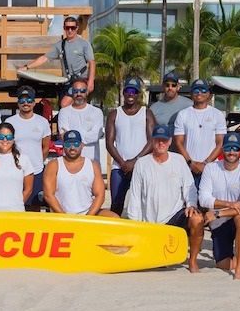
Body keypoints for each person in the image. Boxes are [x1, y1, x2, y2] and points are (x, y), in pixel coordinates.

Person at [125, 125, 205, 268]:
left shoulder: (179, 160)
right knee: (156, 263)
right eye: (157, 140)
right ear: (152, 141)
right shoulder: (141, 164)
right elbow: (135, 196)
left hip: (174, 217)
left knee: (197, 219)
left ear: (170, 141)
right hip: (151, 223)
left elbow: (189, 187)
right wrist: (134, 225)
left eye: (164, 140)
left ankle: (192, 261)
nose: (161, 143)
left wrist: (191, 204)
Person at [197, 132, 240, 279]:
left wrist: (217, 213)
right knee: (222, 264)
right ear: (222, 150)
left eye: (236, 149)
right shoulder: (211, 168)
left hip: (232, 218)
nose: (232, 152)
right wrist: (229, 204)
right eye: (228, 148)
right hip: (219, 223)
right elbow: (204, 199)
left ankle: (239, 272)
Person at [17, 16, 95, 108]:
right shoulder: (60, 45)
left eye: (72, 28)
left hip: (82, 80)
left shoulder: (84, 43)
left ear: (77, 28)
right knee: (63, 107)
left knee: (65, 104)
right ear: (64, 28)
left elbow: (92, 63)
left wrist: (91, 81)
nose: (70, 30)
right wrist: (26, 67)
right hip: (68, 81)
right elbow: (44, 58)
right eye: (67, 28)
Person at [106, 77, 155, 215]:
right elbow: (109, 143)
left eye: (134, 91)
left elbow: (152, 141)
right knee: (116, 203)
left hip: (140, 165)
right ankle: (114, 233)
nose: (131, 94)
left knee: (142, 203)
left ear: (138, 94)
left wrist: (135, 161)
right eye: (128, 90)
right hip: (119, 167)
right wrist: (122, 162)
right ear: (123, 93)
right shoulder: (114, 114)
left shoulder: (146, 113)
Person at [43, 130, 118, 217]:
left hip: (87, 212)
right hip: (61, 214)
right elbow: (48, 195)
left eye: (76, 144)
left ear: (82, 145)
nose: (72, 148)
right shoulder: (54, 165)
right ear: (63, 146)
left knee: (114, 217)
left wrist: (88, 217)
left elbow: (100, 195)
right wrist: (64, 217)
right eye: (68, 144)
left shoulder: (92, 165)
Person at [4, 85, 52, 211]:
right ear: (18, 102)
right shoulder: (9, 122)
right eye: (22, 100)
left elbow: (46, 147)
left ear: (34, 102)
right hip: (14, 170)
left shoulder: (42, 122)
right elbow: (4, 146)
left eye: (29, 100)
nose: (26, 103)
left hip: (36, 171)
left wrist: (37, 163)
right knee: (15, 204)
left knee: (34, 206)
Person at [173, 78, 227, 184]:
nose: (199, 93)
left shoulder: (217, 114)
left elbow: (220, 143)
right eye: (196, 90)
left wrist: (205, 163)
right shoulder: (183, 114)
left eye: (203, 91)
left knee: (208, 200)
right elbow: (179, 142)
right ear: (191, 93)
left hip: (211, 168)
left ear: (208, 94)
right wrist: (190, 163)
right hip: (188, 168)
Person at [56, 77, 104, 165]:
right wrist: (86, 135)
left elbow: (95, 135)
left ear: (87, 92)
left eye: (82, 91)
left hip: (91, 163)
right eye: (75, 91)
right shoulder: (64, 112)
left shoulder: (97, 112)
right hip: (70, 163)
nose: (79, 94)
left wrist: (72, 136)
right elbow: (63, 136)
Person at [149, 71, 192, 144]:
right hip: (162, 148)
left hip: (183, 150)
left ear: (178, 87)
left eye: (173, 85)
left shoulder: (189, 105)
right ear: (163, 86)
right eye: (167, 85)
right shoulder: (153, 108)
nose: (170, 88)